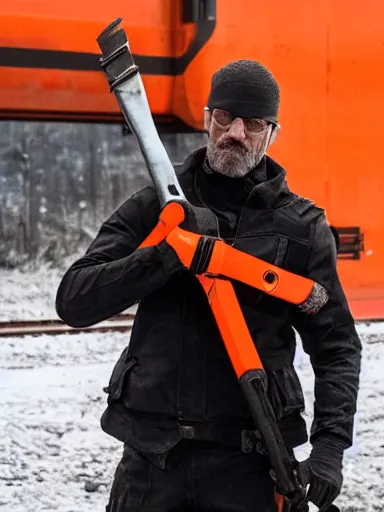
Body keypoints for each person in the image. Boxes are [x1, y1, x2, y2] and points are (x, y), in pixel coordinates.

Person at [56, 59, 362, 512]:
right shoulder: (154, 208)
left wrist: (330, 447)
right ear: (206, 120)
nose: (236, 132)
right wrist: (165, 256)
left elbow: (337, 347)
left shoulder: (302, 229)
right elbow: (74, 300)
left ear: (271, 134)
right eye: (225, 117)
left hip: (249, 465)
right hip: (151, 465)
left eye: (253, 122)